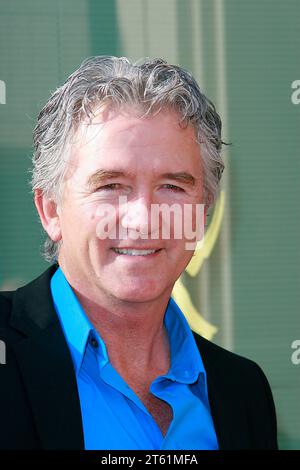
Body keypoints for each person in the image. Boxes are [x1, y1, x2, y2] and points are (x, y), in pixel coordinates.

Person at [0, 56, 277, 450]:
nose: (144, 219)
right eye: (111, 184)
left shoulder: (243, 391)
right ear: (51, 210)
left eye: (173, 186)